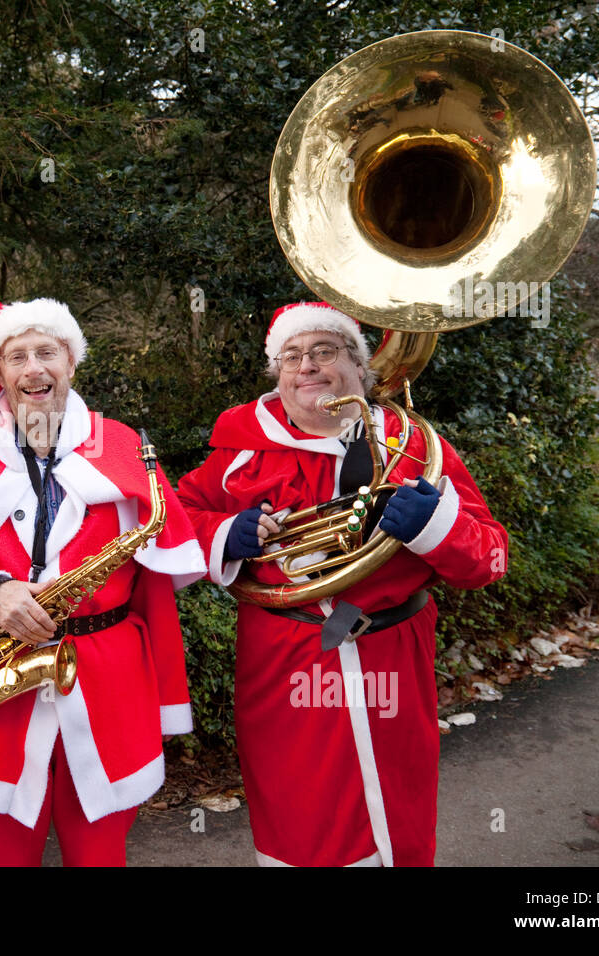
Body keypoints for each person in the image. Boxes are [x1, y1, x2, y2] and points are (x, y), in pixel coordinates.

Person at [176, 301, 508, 867]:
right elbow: (172, 523)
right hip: (285, 661)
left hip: (392, 655)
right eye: (291, 357)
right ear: (278, 374)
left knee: (396, 809)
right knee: (298, 816)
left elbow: (490, 558)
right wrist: (224, 533)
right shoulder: (240, 455)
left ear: (360, 368)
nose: (306, 366)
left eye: (324, 351)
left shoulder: (414, 448)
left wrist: (436, 527)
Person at [0, 298, 206, 866]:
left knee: (101, 856)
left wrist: (167, 703)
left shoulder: (121, 448)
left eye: (47, 352)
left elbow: (155, 592)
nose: (33, 368)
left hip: (109, 691)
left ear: (71, 362)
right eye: (15, 356)